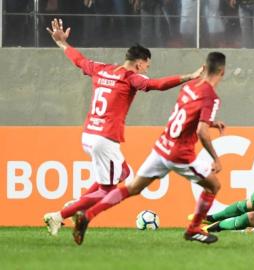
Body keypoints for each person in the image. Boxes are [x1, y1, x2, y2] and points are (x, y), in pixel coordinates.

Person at [43, 18, 203, 236]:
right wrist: (190, 77)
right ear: (139, 63)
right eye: (147, 65)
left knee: (125, 173)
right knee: (108, 191)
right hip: (104, 138)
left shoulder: (101, 69)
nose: (146, 70)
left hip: (89, 134)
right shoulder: (130, 78)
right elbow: (156, 85)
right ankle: (60, 215)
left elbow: (78, 59)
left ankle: (77, 205)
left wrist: (62, 43)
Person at [72, 51, 227, 245]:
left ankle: (87, 215)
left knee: (132, 188)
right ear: (222, 71)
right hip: (180, 154)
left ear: (204, 67)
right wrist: (216, 158)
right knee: (214, 185)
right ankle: (193, 228)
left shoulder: (189, 88)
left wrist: (211, 123)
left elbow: (186, 116)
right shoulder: (211, 96)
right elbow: (201, 132)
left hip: (161, 147)